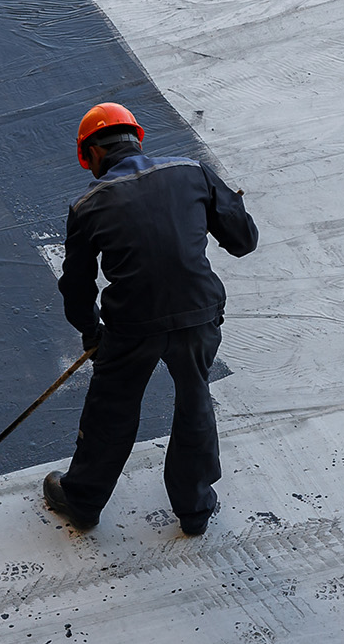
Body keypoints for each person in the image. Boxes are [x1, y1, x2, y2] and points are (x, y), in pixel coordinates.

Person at [42, 103, 257, 536]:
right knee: (194, 400)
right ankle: (194, 510)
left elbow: (77, 288)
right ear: (136, 138)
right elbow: (243, 241)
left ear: (92, 154)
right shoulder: (191, 171)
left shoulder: (87, 204)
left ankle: (82, 501)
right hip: (198, 314)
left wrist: (91, 335)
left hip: (132, 325)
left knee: (112, 408)